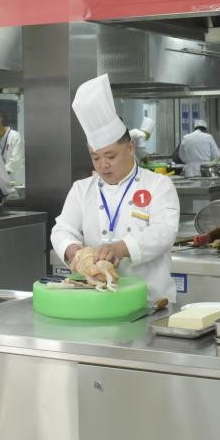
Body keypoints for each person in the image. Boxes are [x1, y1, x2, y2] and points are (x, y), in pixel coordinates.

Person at [52, 75, 181, 304]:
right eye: (95, 158)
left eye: (110, 156)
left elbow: (164, 232)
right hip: (98, 302)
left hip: (150, 302)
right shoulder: (82, 189)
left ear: (130, 147)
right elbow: (62, 229)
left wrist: (121, 248)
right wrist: (73, 251)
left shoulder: (159, 185)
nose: (103, 165)